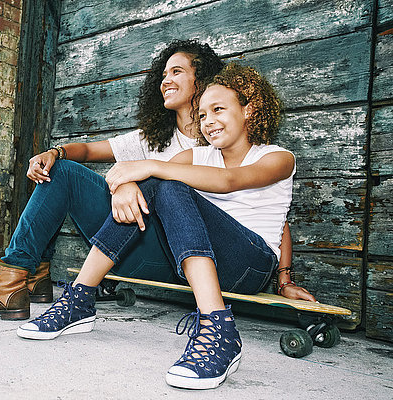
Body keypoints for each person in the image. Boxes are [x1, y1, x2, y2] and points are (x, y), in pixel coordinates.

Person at [0, 39, 305, 321]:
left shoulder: (253, 152)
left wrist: (284, 278)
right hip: (155, 249)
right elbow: (127, 169)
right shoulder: (170, 145)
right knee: (65, 171)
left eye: (177, 72)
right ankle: (20, 280)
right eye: (163, 74)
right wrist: (117, 177)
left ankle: (209, 321)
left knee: (165, 182)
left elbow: (260, 204)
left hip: (221, 258)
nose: (166, 80)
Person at [17, 63, 312, 390]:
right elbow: (152, 183)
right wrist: (128, 184)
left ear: (249, 109)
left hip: (251, 265)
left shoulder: (277, 157)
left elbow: (231, 182)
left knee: (168, 182)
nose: (208, 121)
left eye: (218, 109)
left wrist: (284, 280)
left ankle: (219, 329)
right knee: (165, 183)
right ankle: (80, 299)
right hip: (204, 263)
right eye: (201, 115)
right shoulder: (198, 156)